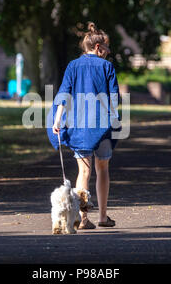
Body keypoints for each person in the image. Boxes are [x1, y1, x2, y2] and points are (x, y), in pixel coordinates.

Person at [49, 22, 119, 229]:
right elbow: (113, 98)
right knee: (103, 169)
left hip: (79, 127)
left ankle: (82, 219)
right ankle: (103, 217)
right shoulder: (107, 67)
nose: (108, 51)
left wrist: (58, 120)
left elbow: (64, 94)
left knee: (84, 172)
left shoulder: (73, 66)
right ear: (98, 48)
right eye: (106, 48)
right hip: (102, 126)